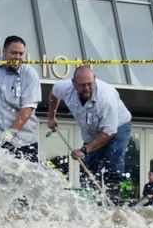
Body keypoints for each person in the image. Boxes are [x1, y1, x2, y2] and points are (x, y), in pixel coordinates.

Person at [47, 66, 132, 204]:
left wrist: (84, 150)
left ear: (95, 80)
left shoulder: (106, 98)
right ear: (74, 83)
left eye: (89, 84)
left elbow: (109, 132)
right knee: (89, 168)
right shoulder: (64, 87)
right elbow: (53, 95)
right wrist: (51, 117)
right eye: (82, 85)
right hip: (92, 131)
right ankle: (92, 201)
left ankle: (114, 202)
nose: (86, 88)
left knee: (113, 162)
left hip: (117, 127)